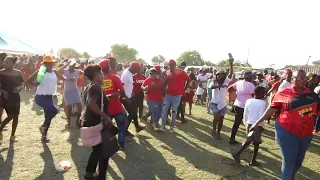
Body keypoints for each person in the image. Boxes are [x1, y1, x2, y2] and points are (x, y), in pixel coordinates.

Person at [250, 70, 319, 179]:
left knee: (298, 162)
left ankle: (290, 174)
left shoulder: (313, 95)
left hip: (306, 134)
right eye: (299, 78)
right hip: (286, 131)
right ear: (292, 80)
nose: (302, 80)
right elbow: (271, 109)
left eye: (304, 78)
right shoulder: (283, 93)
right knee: (289, 160)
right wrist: (257, 122)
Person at [27, 56, 68, 142]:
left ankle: (44, 136)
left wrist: (70, 79)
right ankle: (43, 127)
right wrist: (35, 85)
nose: (49, 65)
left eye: (51, 63)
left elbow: (64, 79)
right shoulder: (42, 71)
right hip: (40, 96)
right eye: (47, 63)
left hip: (49, 97)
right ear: (44, 64)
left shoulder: (55, 72)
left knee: (48, 116)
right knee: (55, 111)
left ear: (53, 64)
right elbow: (29, 80)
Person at [81, 64, 112, 180]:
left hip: (92, 122)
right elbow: (91, 103)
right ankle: (97, 175)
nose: (103, 76)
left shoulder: (90, 86)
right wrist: (105, 116)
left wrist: (109, 96)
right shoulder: (95, 87)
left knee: (99, 150)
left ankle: (92, 173)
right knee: (103, 151)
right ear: (96, 75)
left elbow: (95, 101)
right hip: (96, 123)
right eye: (102, 74)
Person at [232, 86, 267, 166]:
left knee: (250, 141)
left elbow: (245, 113)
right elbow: (261, 116)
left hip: (249, 123)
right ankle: (248, 158)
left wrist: (245, 122)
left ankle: (243, 156)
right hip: (257, 125)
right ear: (263, 94)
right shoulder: (263, 103)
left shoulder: (248, 101)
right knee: (255, 142)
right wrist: (262, 126)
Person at [98, 59, 127, 150]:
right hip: (117, 107)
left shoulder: (97, 81)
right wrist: (120, 96)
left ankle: (109, 145)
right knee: (121, 127)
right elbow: (122, 91)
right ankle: (121, 145)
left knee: (106, 129)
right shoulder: (115, 77)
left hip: (105, 110)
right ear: (109, 67)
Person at [0, 56, 24, 142]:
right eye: (4, 62)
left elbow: (22, 84)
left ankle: (13, 135)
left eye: (7, 62)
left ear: (13, 64)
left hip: (15, 97)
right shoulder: (1, 72)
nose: (4, 63)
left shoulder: (18, 73)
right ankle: (0, 129)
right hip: (4, 97)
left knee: (16, 116)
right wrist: (3, 91)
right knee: (10, 116)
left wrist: (19, 88)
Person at [162, 59, 189, 131]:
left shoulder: (181, 72)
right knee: (164, 110)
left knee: (174, 111)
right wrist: (163, 90)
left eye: (171, 65)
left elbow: (188, 79)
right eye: (169, 65)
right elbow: (165, 82)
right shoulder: (167, 72)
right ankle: (163, 126)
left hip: (177, 96)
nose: (170, 67)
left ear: (175, 65)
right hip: (168, 95)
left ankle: (172, 126)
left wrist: (184, 89)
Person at [210, 59, 234, 140]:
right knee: (216, 117)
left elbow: (231, 73)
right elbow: (211, 87)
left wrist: (231, 63)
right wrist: (219, 86)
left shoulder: (226, 81)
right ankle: (213, 128)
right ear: (216, 76)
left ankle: (218, 132)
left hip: (223, 104)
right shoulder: (214, 81)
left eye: (222, 75)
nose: (220, 76)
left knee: (221, 120)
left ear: (224, 76)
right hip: (214, 103)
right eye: (218, 75)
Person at [229, 71, 255, 144]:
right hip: (246, 107)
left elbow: (230, 88)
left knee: (236, 123)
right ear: (250, 77)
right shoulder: (250, 85)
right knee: (249, 123)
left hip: (237, 105)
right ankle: (250, 140)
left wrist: (235, 96)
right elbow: (254, 95)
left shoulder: (239, 82)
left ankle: (232, 138)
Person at [121, 61, 146, 136]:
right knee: (132, 113)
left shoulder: (129, 73)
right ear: (133, 67)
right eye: (137, 69)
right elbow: (120, 87)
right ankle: (125, 130)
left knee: (134, 112)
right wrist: (126, 98)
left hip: (130, 95)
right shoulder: (126, 75)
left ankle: (137, 127)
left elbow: (128, 85)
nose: (138, 71)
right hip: (126, 98)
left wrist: (131, 92)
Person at [58, 59, 83, 128]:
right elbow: (58, 71)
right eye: (71, 65)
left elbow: (85, 72)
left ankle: (77, 120)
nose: (72, 66)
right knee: (69, 108)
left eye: (73, 65)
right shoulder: (65, 71)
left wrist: (82, 65)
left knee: (80, 107)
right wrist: (65, 65)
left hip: (75, 91)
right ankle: (69, 123)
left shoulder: (78, 72)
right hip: (67, 91)